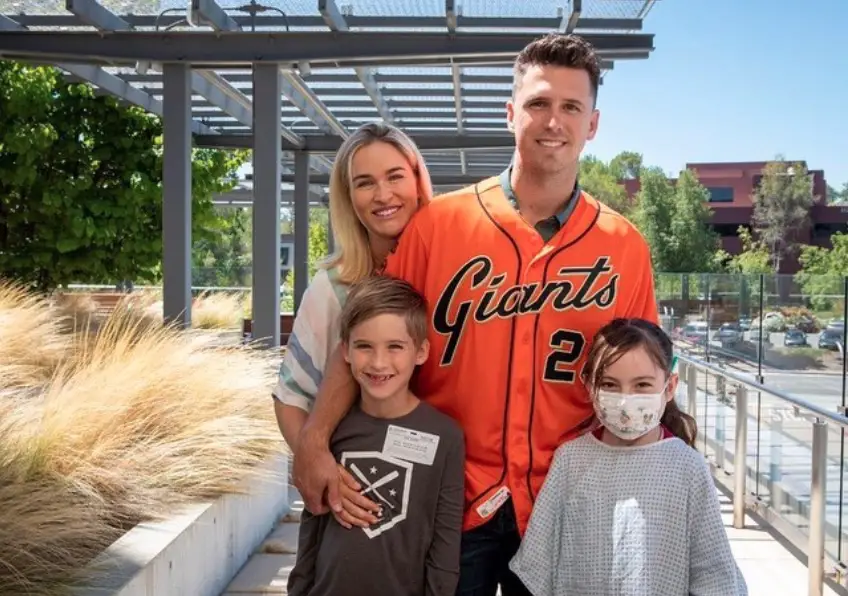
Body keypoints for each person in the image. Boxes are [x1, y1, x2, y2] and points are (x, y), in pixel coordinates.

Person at [293, 33, 659, 595]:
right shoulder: (438, 225)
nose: (552, 121)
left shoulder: (624, 245)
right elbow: (365, 339)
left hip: (568, 500)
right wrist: (314, 442)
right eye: (538, 103)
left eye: (571, 107)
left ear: (593, 124)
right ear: (511, 113)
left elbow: (646, 386)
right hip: (446, 495)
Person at [510, 318, 748, 596]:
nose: (625, 399)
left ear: (669, 387)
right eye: (610, 384)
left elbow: (713, 572)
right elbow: (540, 561)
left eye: (642, 385)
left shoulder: (687, 467)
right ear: (589, 386)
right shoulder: (571, 460)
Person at [287, 276, 465, 596]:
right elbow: (312, 524)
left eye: (395, 347)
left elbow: (445, 540)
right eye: (364, 346)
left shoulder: (446, 437)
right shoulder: (332, 429)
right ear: (346, 351)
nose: (379, 362)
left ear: (421, 351)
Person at [271, 121, 433, 449]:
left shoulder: (457, 272)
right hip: (356, 480)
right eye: (364, 183)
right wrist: (320, 473)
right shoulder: (332, 288)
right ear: (348, 197)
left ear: (417, 181)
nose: (383, 195)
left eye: (395, 176)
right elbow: (291, 396)